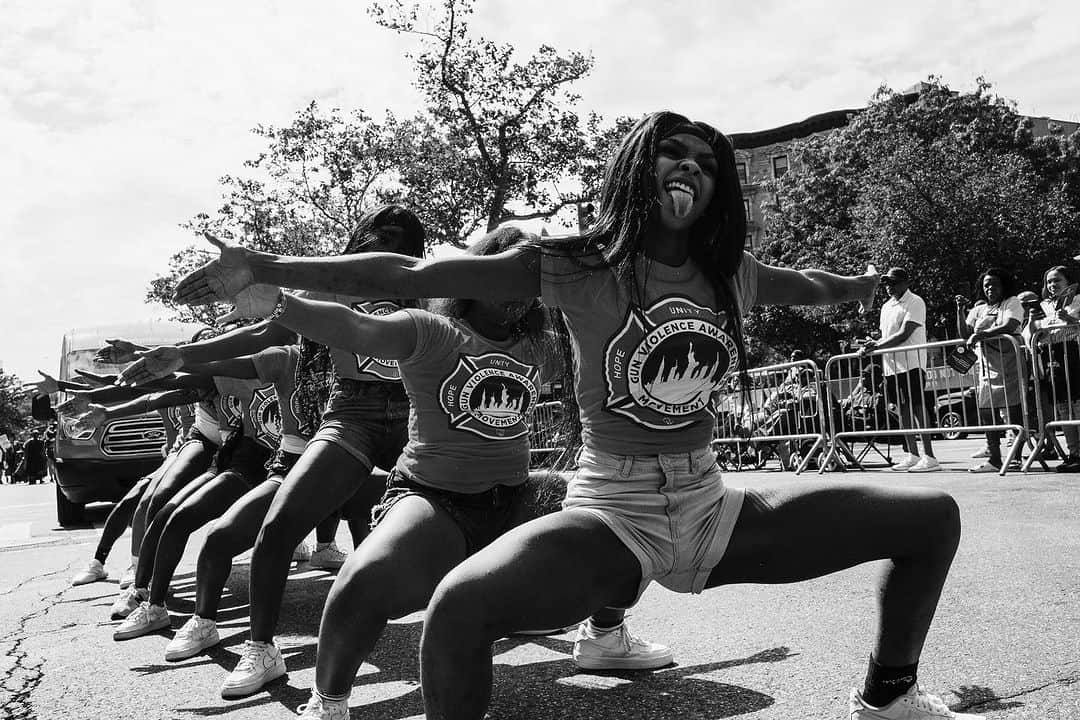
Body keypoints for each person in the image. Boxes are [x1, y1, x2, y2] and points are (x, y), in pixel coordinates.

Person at [175, 111, 980, 720]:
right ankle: (328, 689)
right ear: (638, 169)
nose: (689, 169)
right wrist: (270, 268)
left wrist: (860, 286)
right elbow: (412, 270)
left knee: (930, 518)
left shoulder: (729, 272)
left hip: (708, 503)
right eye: (672, 153)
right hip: (613, 510)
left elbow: (811, 285)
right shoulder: (579, 267)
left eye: (706, 162)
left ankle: (888, 697)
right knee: (459, 606)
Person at [207, 226, 669, 717]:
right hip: (435, 500)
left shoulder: (543, 346)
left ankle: (604, 635)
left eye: (531, 277)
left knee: (618, 513)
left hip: (513, 499)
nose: (520, 287)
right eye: (508, 271)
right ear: (478, 274)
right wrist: (282, 304)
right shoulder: (431, 331)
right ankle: (330, 700)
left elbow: (612, 336)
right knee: (363, 581)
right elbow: (354, 328)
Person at [119, 205, 428, 698]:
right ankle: (262, 649)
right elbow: (262, 334)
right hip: (356, 414)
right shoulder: (332, 284)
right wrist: (184, 356)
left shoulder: (428, 283)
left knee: (469, 503)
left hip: (418, 412)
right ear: (359, 241)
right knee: (277, 526)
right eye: (379, 235)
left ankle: (505, 603)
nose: (387, 245)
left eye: (400, 239)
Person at [859, 267, 938, 472]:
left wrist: (876, 347)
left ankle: (929, 456)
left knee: (918, 407)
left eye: (893, 282)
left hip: (911, 363)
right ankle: (912, 454)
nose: (888, 286)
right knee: (902, 410)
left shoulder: (915, 302)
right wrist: (871, 344)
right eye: (886, 283)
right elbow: (886, 336)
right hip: (891, 366)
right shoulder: (886, 307)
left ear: (906, 282)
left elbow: (905, 333)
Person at [955, 268, 1025, 473]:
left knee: (1013, 409)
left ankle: (1015, 458)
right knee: (986, 410)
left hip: (1010, 361)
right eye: (986, 284)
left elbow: (1010, 325)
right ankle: (994, 459)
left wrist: (983, 334)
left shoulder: (1012, 302)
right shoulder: (980, 309)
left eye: (994, 283)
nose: (990, 288)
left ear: (1003, 285)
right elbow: (965, 332)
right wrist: (960, 310)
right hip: (987, 366)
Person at [1026, 265, 1080, 471]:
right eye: (1049, 281)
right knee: (1063, 408)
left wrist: (1071, 319)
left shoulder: (1077, 300)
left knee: (1077, 405)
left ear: (1068, 282)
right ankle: (1073, 454)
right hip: (1053, 358)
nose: (1052, 285)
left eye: (1057, 280)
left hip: (1075, 355)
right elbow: (1034, 335)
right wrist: (1032, 322)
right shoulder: (1043, 306)